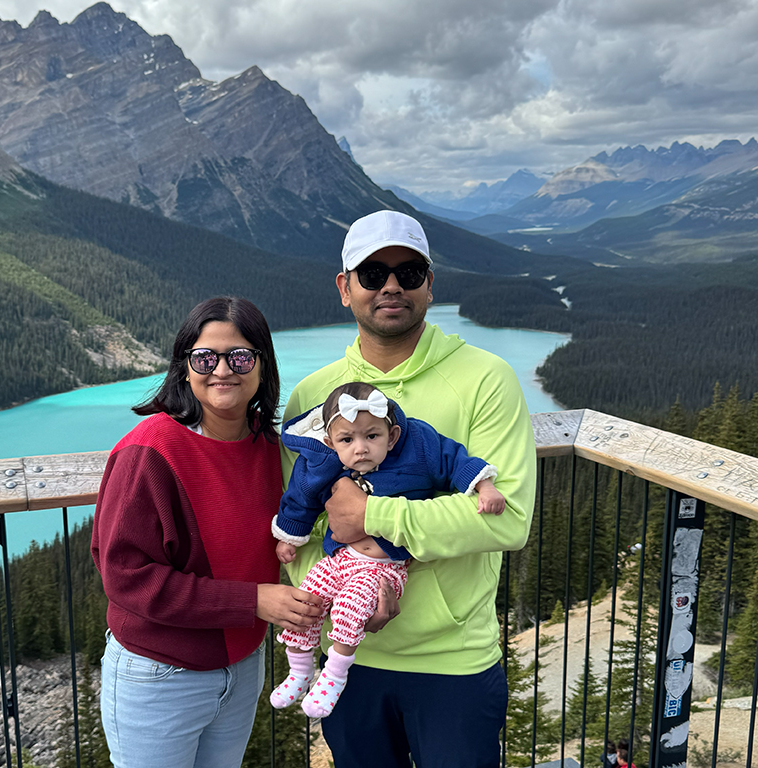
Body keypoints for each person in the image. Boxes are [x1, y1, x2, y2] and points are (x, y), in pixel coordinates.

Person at [281, 210, 537, 768]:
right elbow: (296, 521)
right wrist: (325, 605)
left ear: (429, 284)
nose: (391, 285)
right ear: (344, 288)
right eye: (372, 274)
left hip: (452, 663)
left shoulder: (484, 378)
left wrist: (373, 515)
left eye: (409, 271)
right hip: (346, 656)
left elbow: (508, 518)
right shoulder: (313, 395)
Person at [92, 296, 323, 768]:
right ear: (185, 367)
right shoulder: (150, 451)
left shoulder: (269, 447)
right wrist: (253, 602)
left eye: (240, 357)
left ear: (262, 366)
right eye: (205, 358)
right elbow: (125, 577)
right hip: (159, 675)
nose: (222, 370)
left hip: (242, 669)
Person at [269, 381, 505, 718]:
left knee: (349, 608)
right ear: (329, 441)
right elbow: (300, 498)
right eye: (347, 440)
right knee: (307, 600)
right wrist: (290, 537)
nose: (360, 448)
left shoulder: (417, 450)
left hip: (382, 569)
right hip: (340, 558)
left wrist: (485, 485)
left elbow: (454, 459)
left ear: (391, 436)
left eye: (372, 436)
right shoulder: (326, 464)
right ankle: (300, 668)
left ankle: (334, 674)